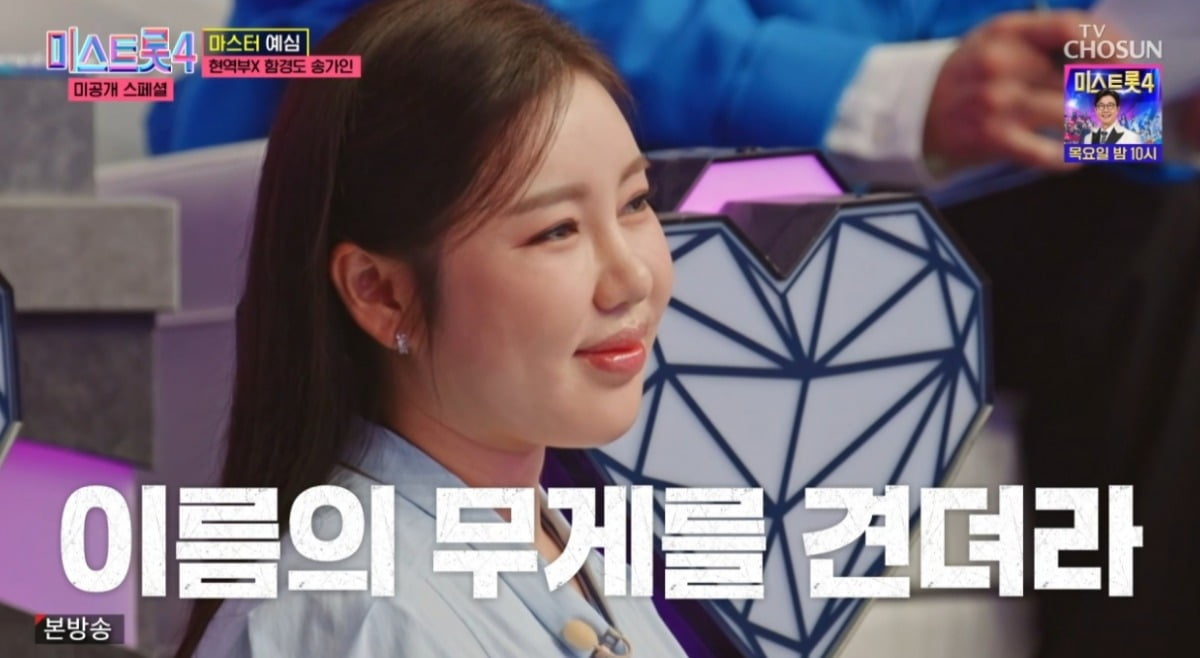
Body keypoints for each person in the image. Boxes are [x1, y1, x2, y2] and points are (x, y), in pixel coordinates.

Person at [173, 1, 687, 656]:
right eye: (557, 230)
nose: (631, 278)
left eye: (636, 202)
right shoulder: (369, 616)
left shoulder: (541, 533)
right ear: (381, 293)